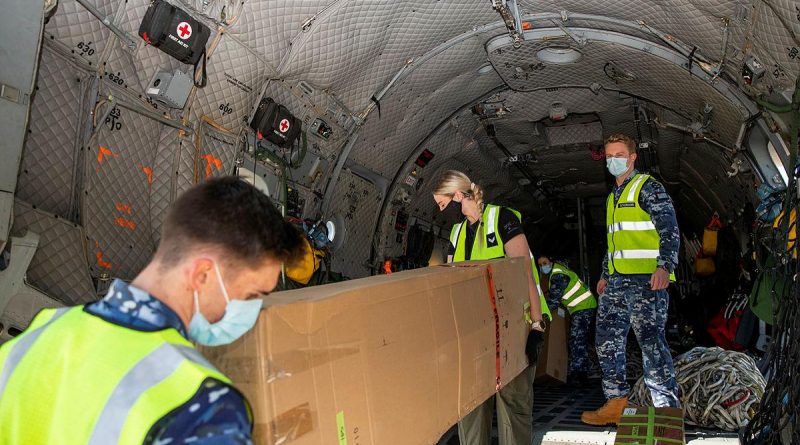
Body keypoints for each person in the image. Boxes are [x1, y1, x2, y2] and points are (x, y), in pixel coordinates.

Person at [0, 177, 304, 444]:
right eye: (251, 295)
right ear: (203, 275)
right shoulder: (201, 406)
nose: (251, 312)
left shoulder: (40, 334)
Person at [433, 170, 550, 445]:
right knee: (471, 406)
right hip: (478, 328)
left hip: (517, 325)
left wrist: (536, 324)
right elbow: (450, 280)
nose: (440, 213)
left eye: (441, 204)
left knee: (513, 403)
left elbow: (526, 273)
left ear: (458, 196)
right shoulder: (457, 231)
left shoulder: (503, 219)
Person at [581, 134, 681, 426]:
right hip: (617, 282)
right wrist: (604, 273)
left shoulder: (648, 188)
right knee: (606, 340)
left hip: (647, 282)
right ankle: (616, 403)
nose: (614, 161)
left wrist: (664, 267)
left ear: (633, 157)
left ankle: (666, 412)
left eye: (620, 155)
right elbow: (615, 242)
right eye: (609, 156)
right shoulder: (613, 196)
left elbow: (669, 230)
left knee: (651, 343)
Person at [537, 256, 597, 383]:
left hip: (583, 307)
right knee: (578, 339)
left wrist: (540, 316)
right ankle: (579, 371)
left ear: (551, 262)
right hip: (581, 307)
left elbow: (553, 300)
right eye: (540, 265)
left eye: (545, 263)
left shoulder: (558, 276)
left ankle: (579, 374)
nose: (543, 266)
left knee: (577, 339)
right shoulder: (558, 271)